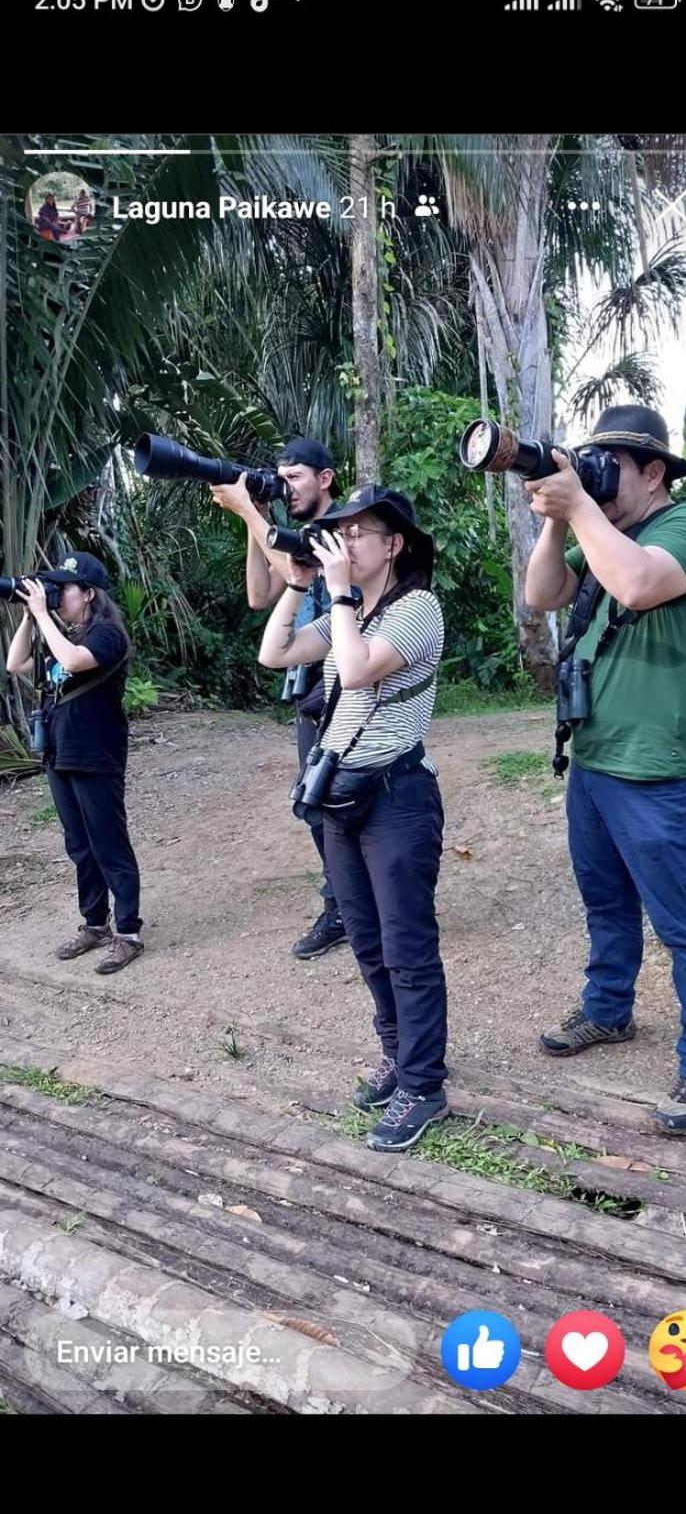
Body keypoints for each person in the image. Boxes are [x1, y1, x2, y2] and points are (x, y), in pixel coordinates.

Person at [525, 404, 686, 1137]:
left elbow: (637, 585)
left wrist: (581, 507)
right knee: (605, 903)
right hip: (598, 757)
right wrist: (554, 514)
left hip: (665, 767)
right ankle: (608, 1011)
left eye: (614, 465)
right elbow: (541, 595)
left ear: (655, 471)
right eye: (592, 461)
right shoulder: (601, 531)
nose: (601, 475)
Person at [256, 481, 449, 1154]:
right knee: (366, 940)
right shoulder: (349, 608)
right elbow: (274, 654)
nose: (346, 541)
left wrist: (337, 593)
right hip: (342, 799)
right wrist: (298, 582)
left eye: (360, 532)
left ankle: (424, 1085)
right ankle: (399, 1055)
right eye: (340, 532)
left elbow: (361, 670)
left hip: (397, 798)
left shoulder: (417, 608)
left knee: (406, 947)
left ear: (394, 543)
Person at [211, 437, 349, 960]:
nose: (285, 486)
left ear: (325, 479)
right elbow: (260, 594)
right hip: (308, 688)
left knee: (347, 799)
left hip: (347, 679)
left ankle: (350, 903)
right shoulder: (286, 533)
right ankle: (343, 902)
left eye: (295, 478)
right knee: (315, 802)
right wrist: (256, 519)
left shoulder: (342, 527)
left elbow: (302, 569)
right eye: (280, 476)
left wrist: (250, 509)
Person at [6, 552, 144, 974]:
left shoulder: (107, 635)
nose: (55, 596)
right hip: (60, 753)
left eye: (61, 589)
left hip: (95, 752)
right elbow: (15, 664)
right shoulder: (59, 633)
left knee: (108, 843)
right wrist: (32, 617)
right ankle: (95, 923)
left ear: (87, 594)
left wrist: (41, 616)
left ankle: (128, 932)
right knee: (79, 846)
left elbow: (72, 661)